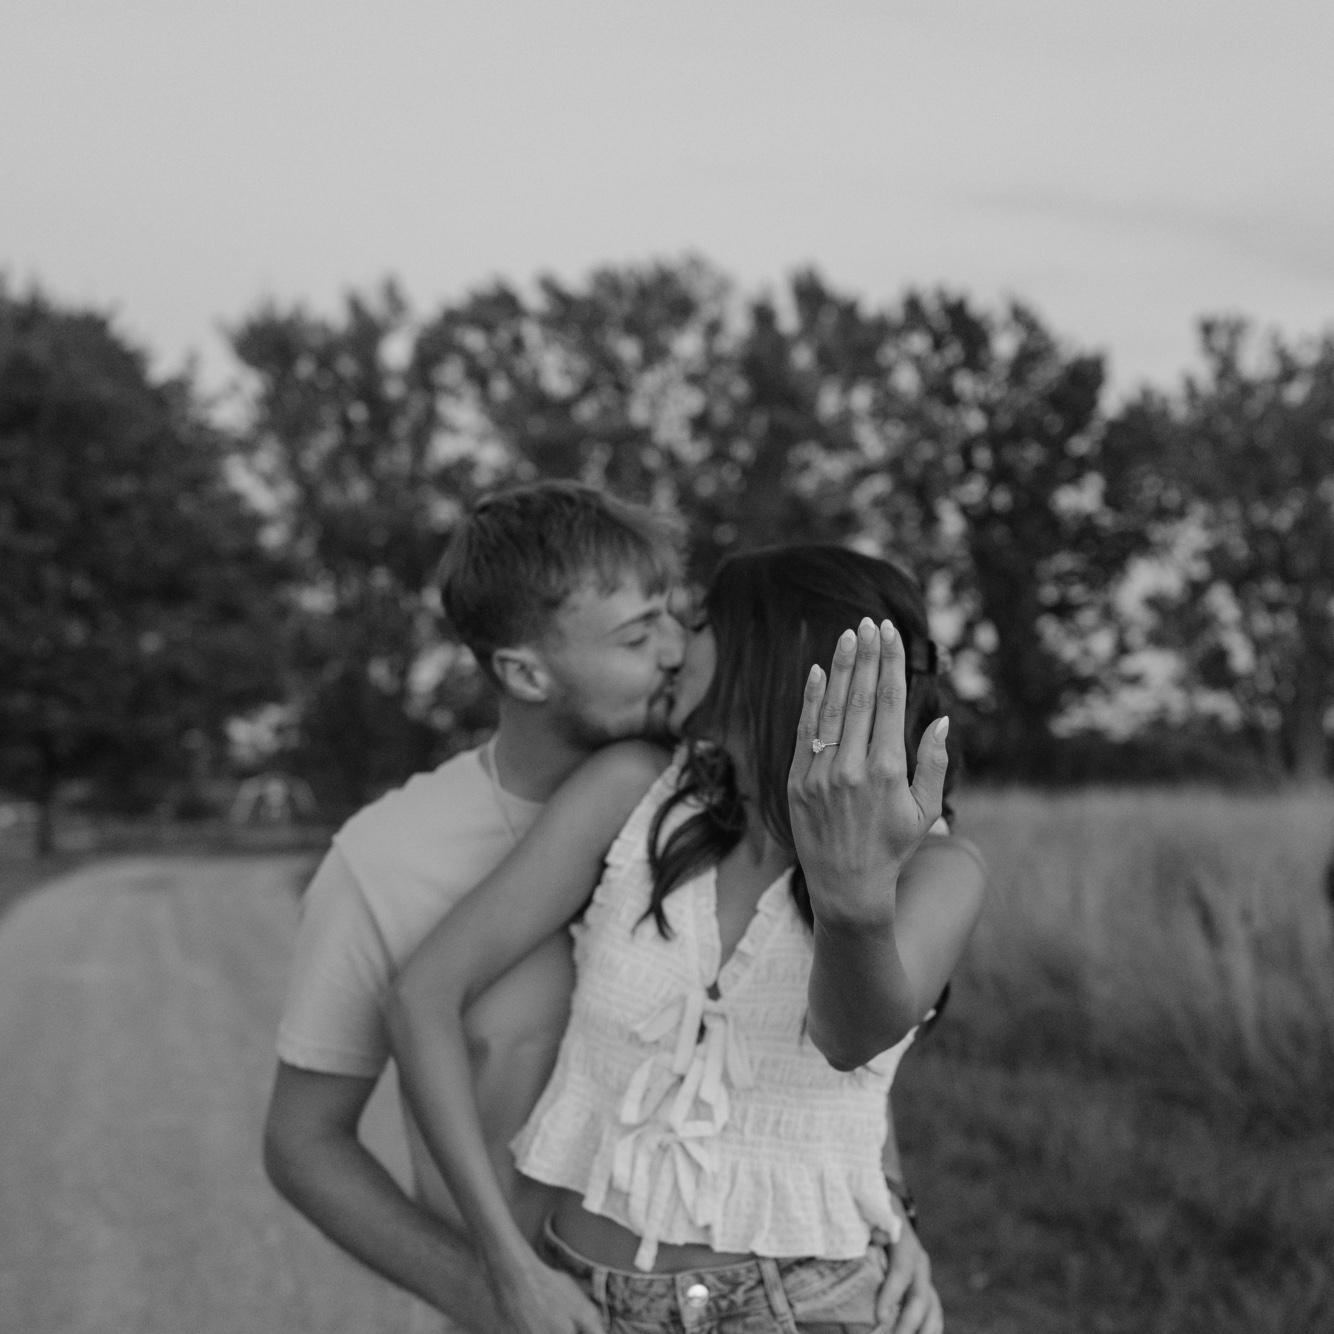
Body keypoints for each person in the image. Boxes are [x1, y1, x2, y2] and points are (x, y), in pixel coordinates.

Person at [264, 484, 966, 1332]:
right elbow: (308, 1140)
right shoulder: (397, 857)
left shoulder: (738, 806)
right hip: (556, 1298)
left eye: (682, 620)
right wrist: (495, 1287)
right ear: (526, 672)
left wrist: (885, 1203)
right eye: (639, 635)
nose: (673, 650)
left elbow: (819, 1058)